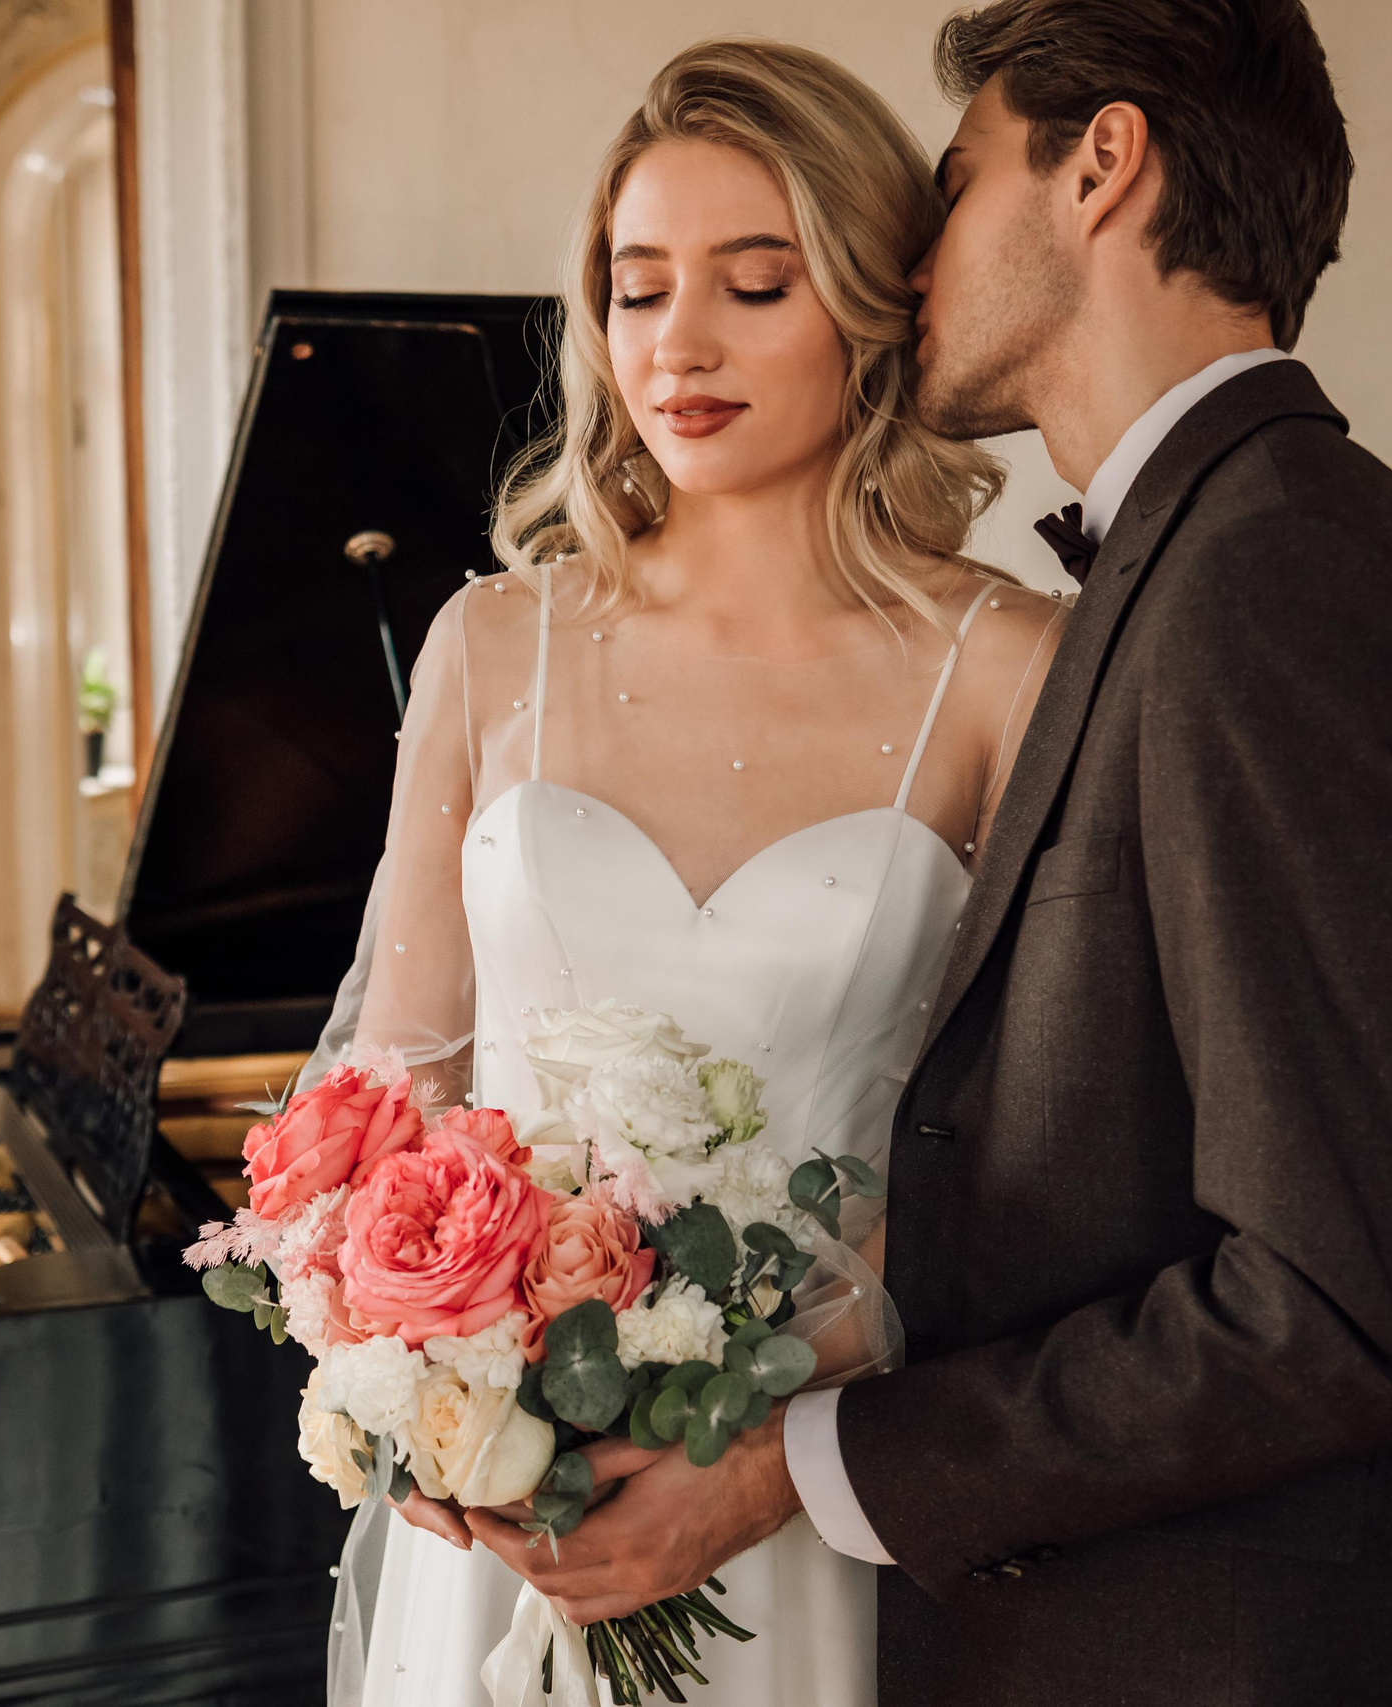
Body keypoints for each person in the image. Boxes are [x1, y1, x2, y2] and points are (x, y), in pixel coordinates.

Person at [484, 4, 1392, 1704]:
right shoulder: (1223, 555)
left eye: (955, 184)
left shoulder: (1275, 581)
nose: (917, 258)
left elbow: (1332, 1299)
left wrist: (794, 1466)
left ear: (1100, 166)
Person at [305, 37, 1064, 1707]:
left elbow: (1036, 1149)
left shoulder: (1009, 669)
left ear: (869, 301)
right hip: (507, 1510)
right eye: (637, 293)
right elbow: (395, 1081)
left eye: (756, 282)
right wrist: (425, 1374)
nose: (681, 347)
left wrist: (767, 1391)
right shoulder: (495, 643)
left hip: (805, 1489)